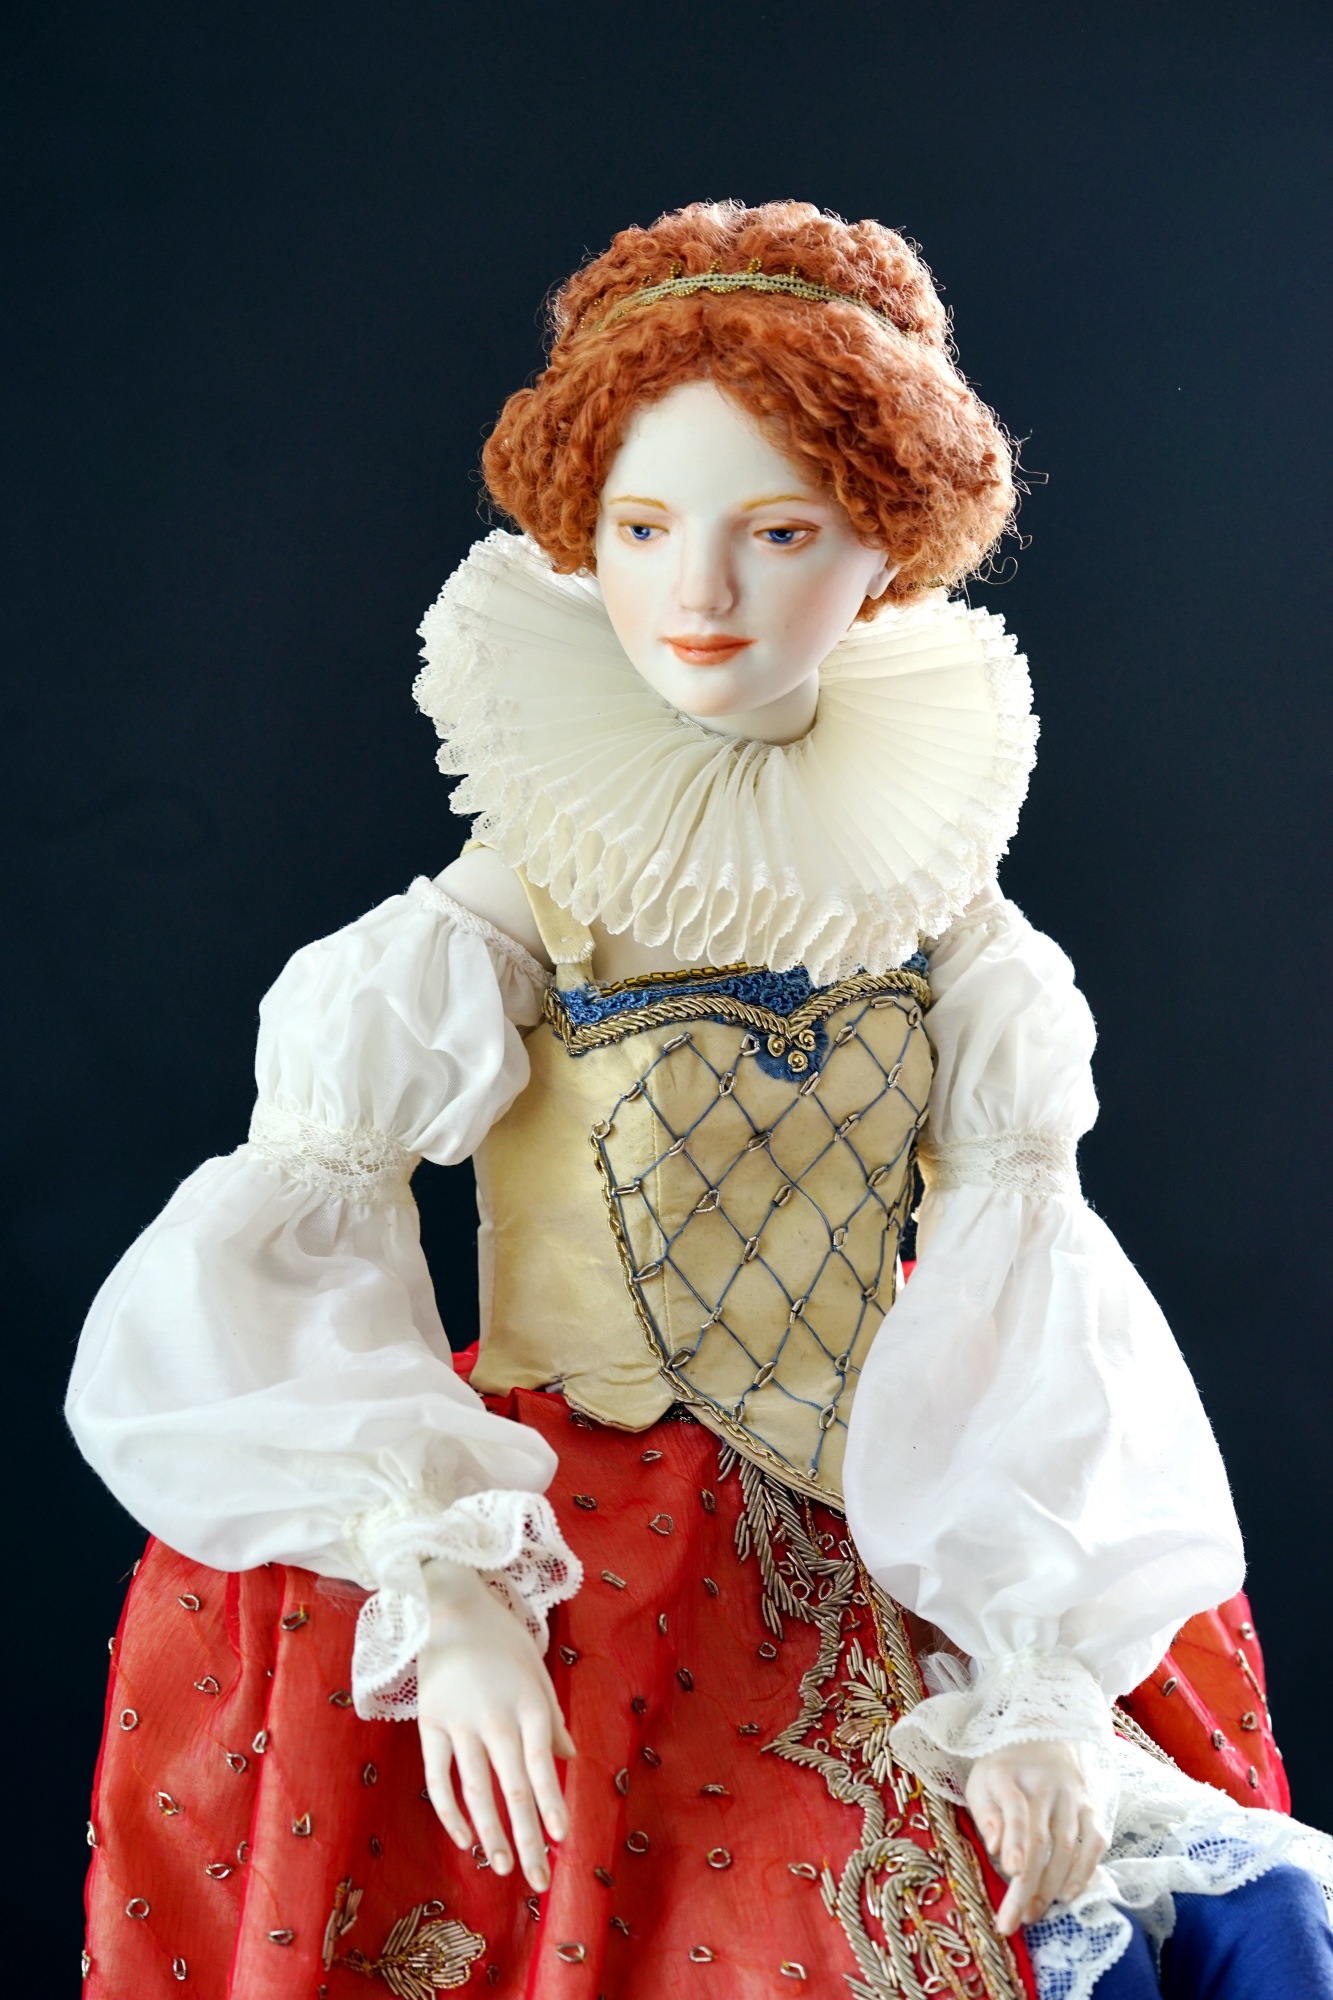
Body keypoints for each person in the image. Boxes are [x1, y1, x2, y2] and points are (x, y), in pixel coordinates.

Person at [68, 201, 1333, 2000]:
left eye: (778, 531)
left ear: (885, 546)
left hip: (901, 1508)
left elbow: (1024, 1279)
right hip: (578, 1537)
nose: (699, 597)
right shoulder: (526, 894)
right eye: (642, 529)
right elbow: (305, 1206)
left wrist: (1039, 1677)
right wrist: (443, 1576)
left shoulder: (944, 917)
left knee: (1174, 1918)